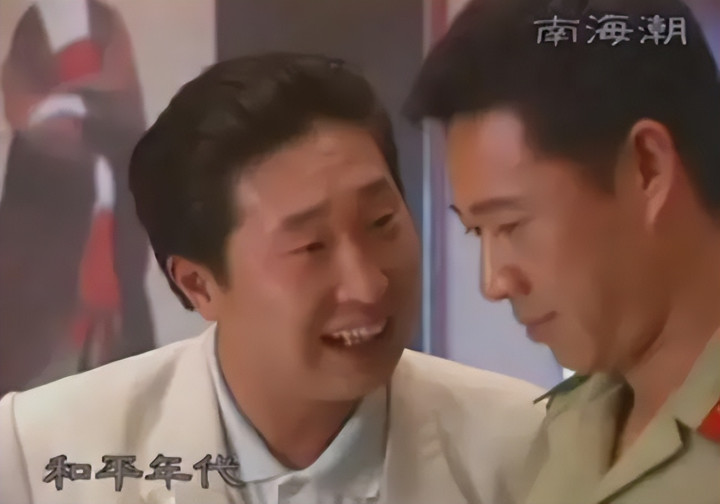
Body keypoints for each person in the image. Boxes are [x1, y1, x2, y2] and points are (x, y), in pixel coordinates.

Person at [0, 53, 544, 504]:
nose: (368, 285)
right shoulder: (37, 454)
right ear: (199, 285)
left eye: (382, 222)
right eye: (310, 247)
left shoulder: (528, 447)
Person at [405, 0, 720, 502]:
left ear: (647, 168)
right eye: (476, 232)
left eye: (512, 224)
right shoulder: (566, 426)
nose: (494, 283)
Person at [0, 0, 155, 397]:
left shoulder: (105, 21)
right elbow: (18, 97)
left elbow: (122, 97)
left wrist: (78, 105)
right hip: (47, 204)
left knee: (122, 379)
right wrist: (51, 119)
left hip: (111, 199)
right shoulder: (33, 25)